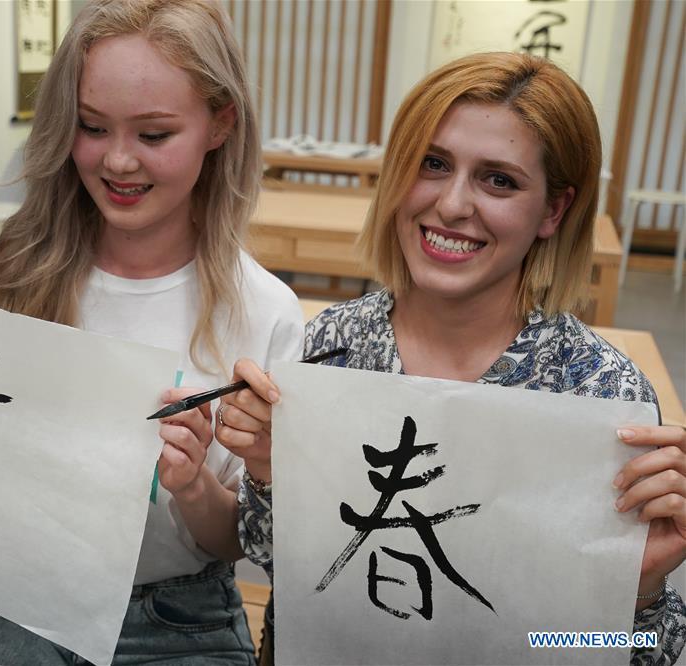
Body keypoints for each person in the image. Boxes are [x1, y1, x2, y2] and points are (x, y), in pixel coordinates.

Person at [0, 1, 304, 664]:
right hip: (25, 603)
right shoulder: (10, 270)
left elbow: (231, 542)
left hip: (181, 613)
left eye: (154, 135)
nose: (118, 161)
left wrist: (191, 485)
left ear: (221, 123)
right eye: (91, 127)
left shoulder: (262, 312)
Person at [215, 52, 685, 665]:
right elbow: (281, 564)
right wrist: (269, 473)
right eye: (432, 164)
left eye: (499, 180)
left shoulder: (598, 397)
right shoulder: (334, 346)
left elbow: (637, 651)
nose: (453, 204)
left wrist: (636, 590)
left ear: (553, 210)